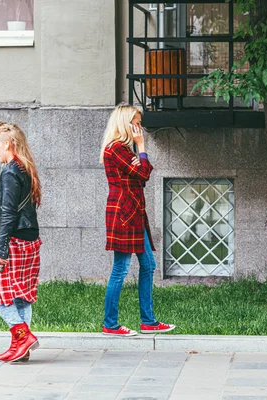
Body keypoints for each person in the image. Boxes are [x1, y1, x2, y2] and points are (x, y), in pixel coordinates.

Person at [100, 104, 175, 336]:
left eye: (139, 123)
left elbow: (143, 172)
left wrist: (139, 160)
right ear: (125, 123)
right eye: (137, 122)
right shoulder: (116, 150)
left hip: (134, 212)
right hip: (124, 214)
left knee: (148, 265)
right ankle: (110, 324)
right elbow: (143, 173)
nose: (139, 127)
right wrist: (141, 148)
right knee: (120, 269)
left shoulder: (124, 150)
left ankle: (148, 321)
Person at [0, 121, 42, 362]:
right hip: (30, 239)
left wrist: (1, 251)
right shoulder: (24, 167)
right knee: (20, 295)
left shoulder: (10, 171)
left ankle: (23, 336)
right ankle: (22, 348)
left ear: (8, 144)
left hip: (15, 241)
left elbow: (8, 214)